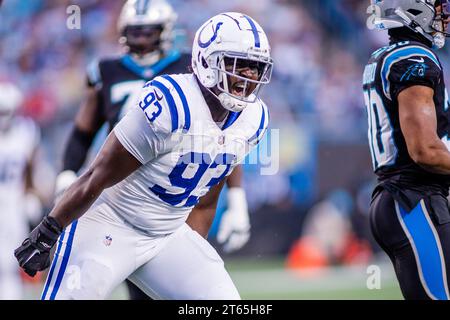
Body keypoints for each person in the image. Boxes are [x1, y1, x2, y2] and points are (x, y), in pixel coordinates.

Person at [15, 11, 273, 300]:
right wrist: (49, 229)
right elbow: (97, 174)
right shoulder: (172, 104)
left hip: (167, 233)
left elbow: (208, 192)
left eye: (255, 67)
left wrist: (194, 247)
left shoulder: (254, 118)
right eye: (239, 64)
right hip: (111, 222)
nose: (248, 75)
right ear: (208, 62)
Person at [364, 0, 450, 299]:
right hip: (414, 201)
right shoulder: (413, 57)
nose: (443, 14)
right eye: (438, 6)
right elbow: (425, 150)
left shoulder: (386, 55)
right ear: (414, 8)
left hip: (403, 199)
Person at [0, 82, 42, 299]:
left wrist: (30, 194)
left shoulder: (25, 132)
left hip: (12, 203)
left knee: (8, 264)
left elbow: (30, 169)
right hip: (9, 203)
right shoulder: (25, 132)